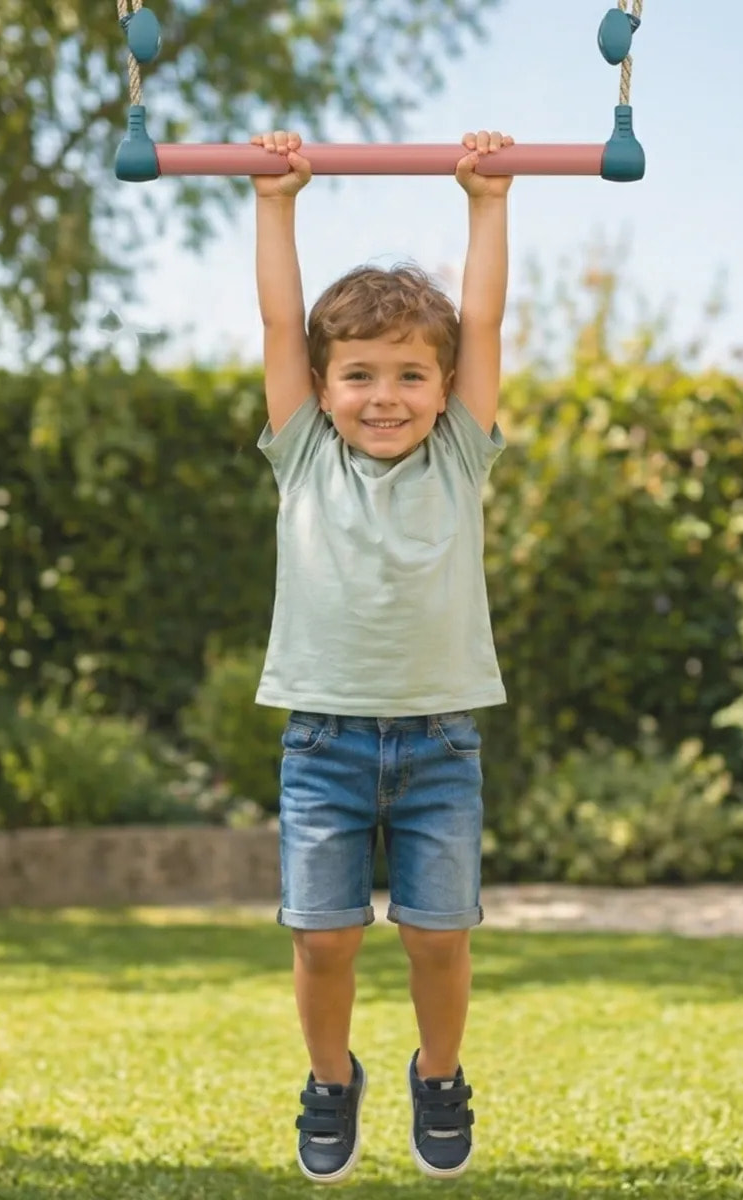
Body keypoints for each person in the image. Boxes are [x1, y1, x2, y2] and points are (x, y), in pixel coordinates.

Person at [250, 126, 514, 1184]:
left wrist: (487, 206)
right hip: (324, 741)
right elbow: (279, 318)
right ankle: (328, 1082)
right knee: (323, 940)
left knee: (437, 939)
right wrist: (277, 206)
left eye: (412, 374)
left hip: (441, 743)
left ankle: (439, 1076)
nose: (386, 394)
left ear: (446, 391)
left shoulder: (460, 457)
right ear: (321, 388)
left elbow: (483, 319)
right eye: (358, 374)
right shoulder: (303, 453)